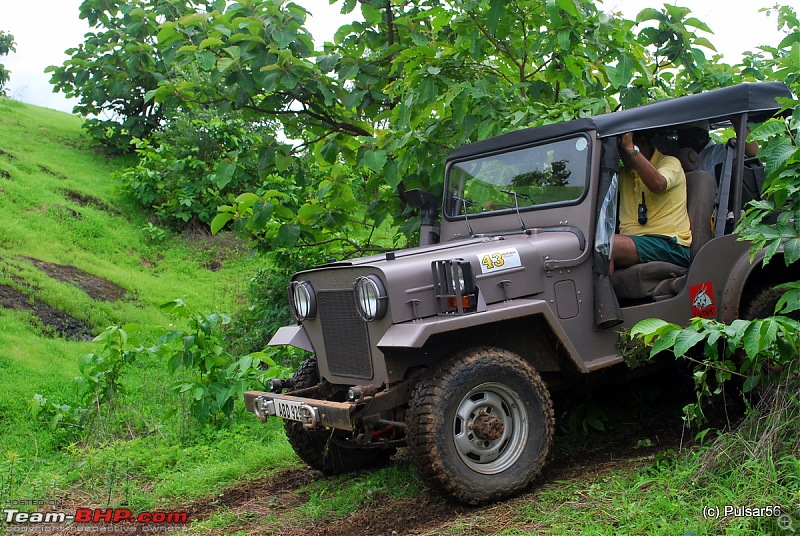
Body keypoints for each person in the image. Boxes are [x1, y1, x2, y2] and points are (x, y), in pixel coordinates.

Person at [611, 131, 692, 273]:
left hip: (670, 244)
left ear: (642, 142)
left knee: (607, 245)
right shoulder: (625, 173)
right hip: (635, 242)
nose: (621, 153)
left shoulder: (670, 163)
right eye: (620, 148)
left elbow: (658, 184)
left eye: (622, 147)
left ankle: (599, 296)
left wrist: (630, 149)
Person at [677, 119, 758, 175]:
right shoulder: (684, 158)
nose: (679, 140)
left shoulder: (721, 151)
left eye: (684, 135)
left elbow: (753, 152)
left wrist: (737, 122)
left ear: (701, 136)